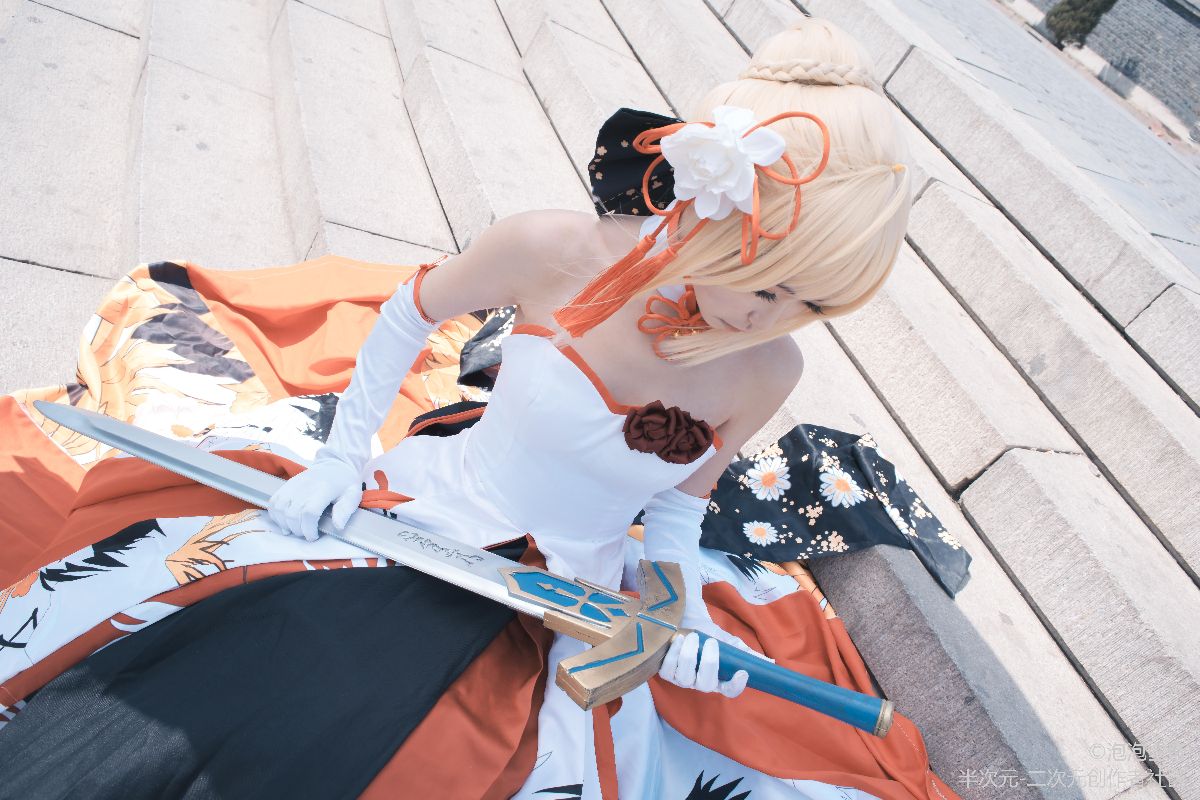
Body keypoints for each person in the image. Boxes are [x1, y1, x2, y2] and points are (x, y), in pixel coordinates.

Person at [0, 16, 960, 800]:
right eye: (768, 283)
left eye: (812, 304)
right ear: (711, 210)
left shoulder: (770, 367)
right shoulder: (556, 250)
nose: (772, 320)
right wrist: (340, 457)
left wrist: (677, 613)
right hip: (423, 512)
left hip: (572, 598)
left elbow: (678, 506)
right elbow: (405, 317)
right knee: (251, 670)